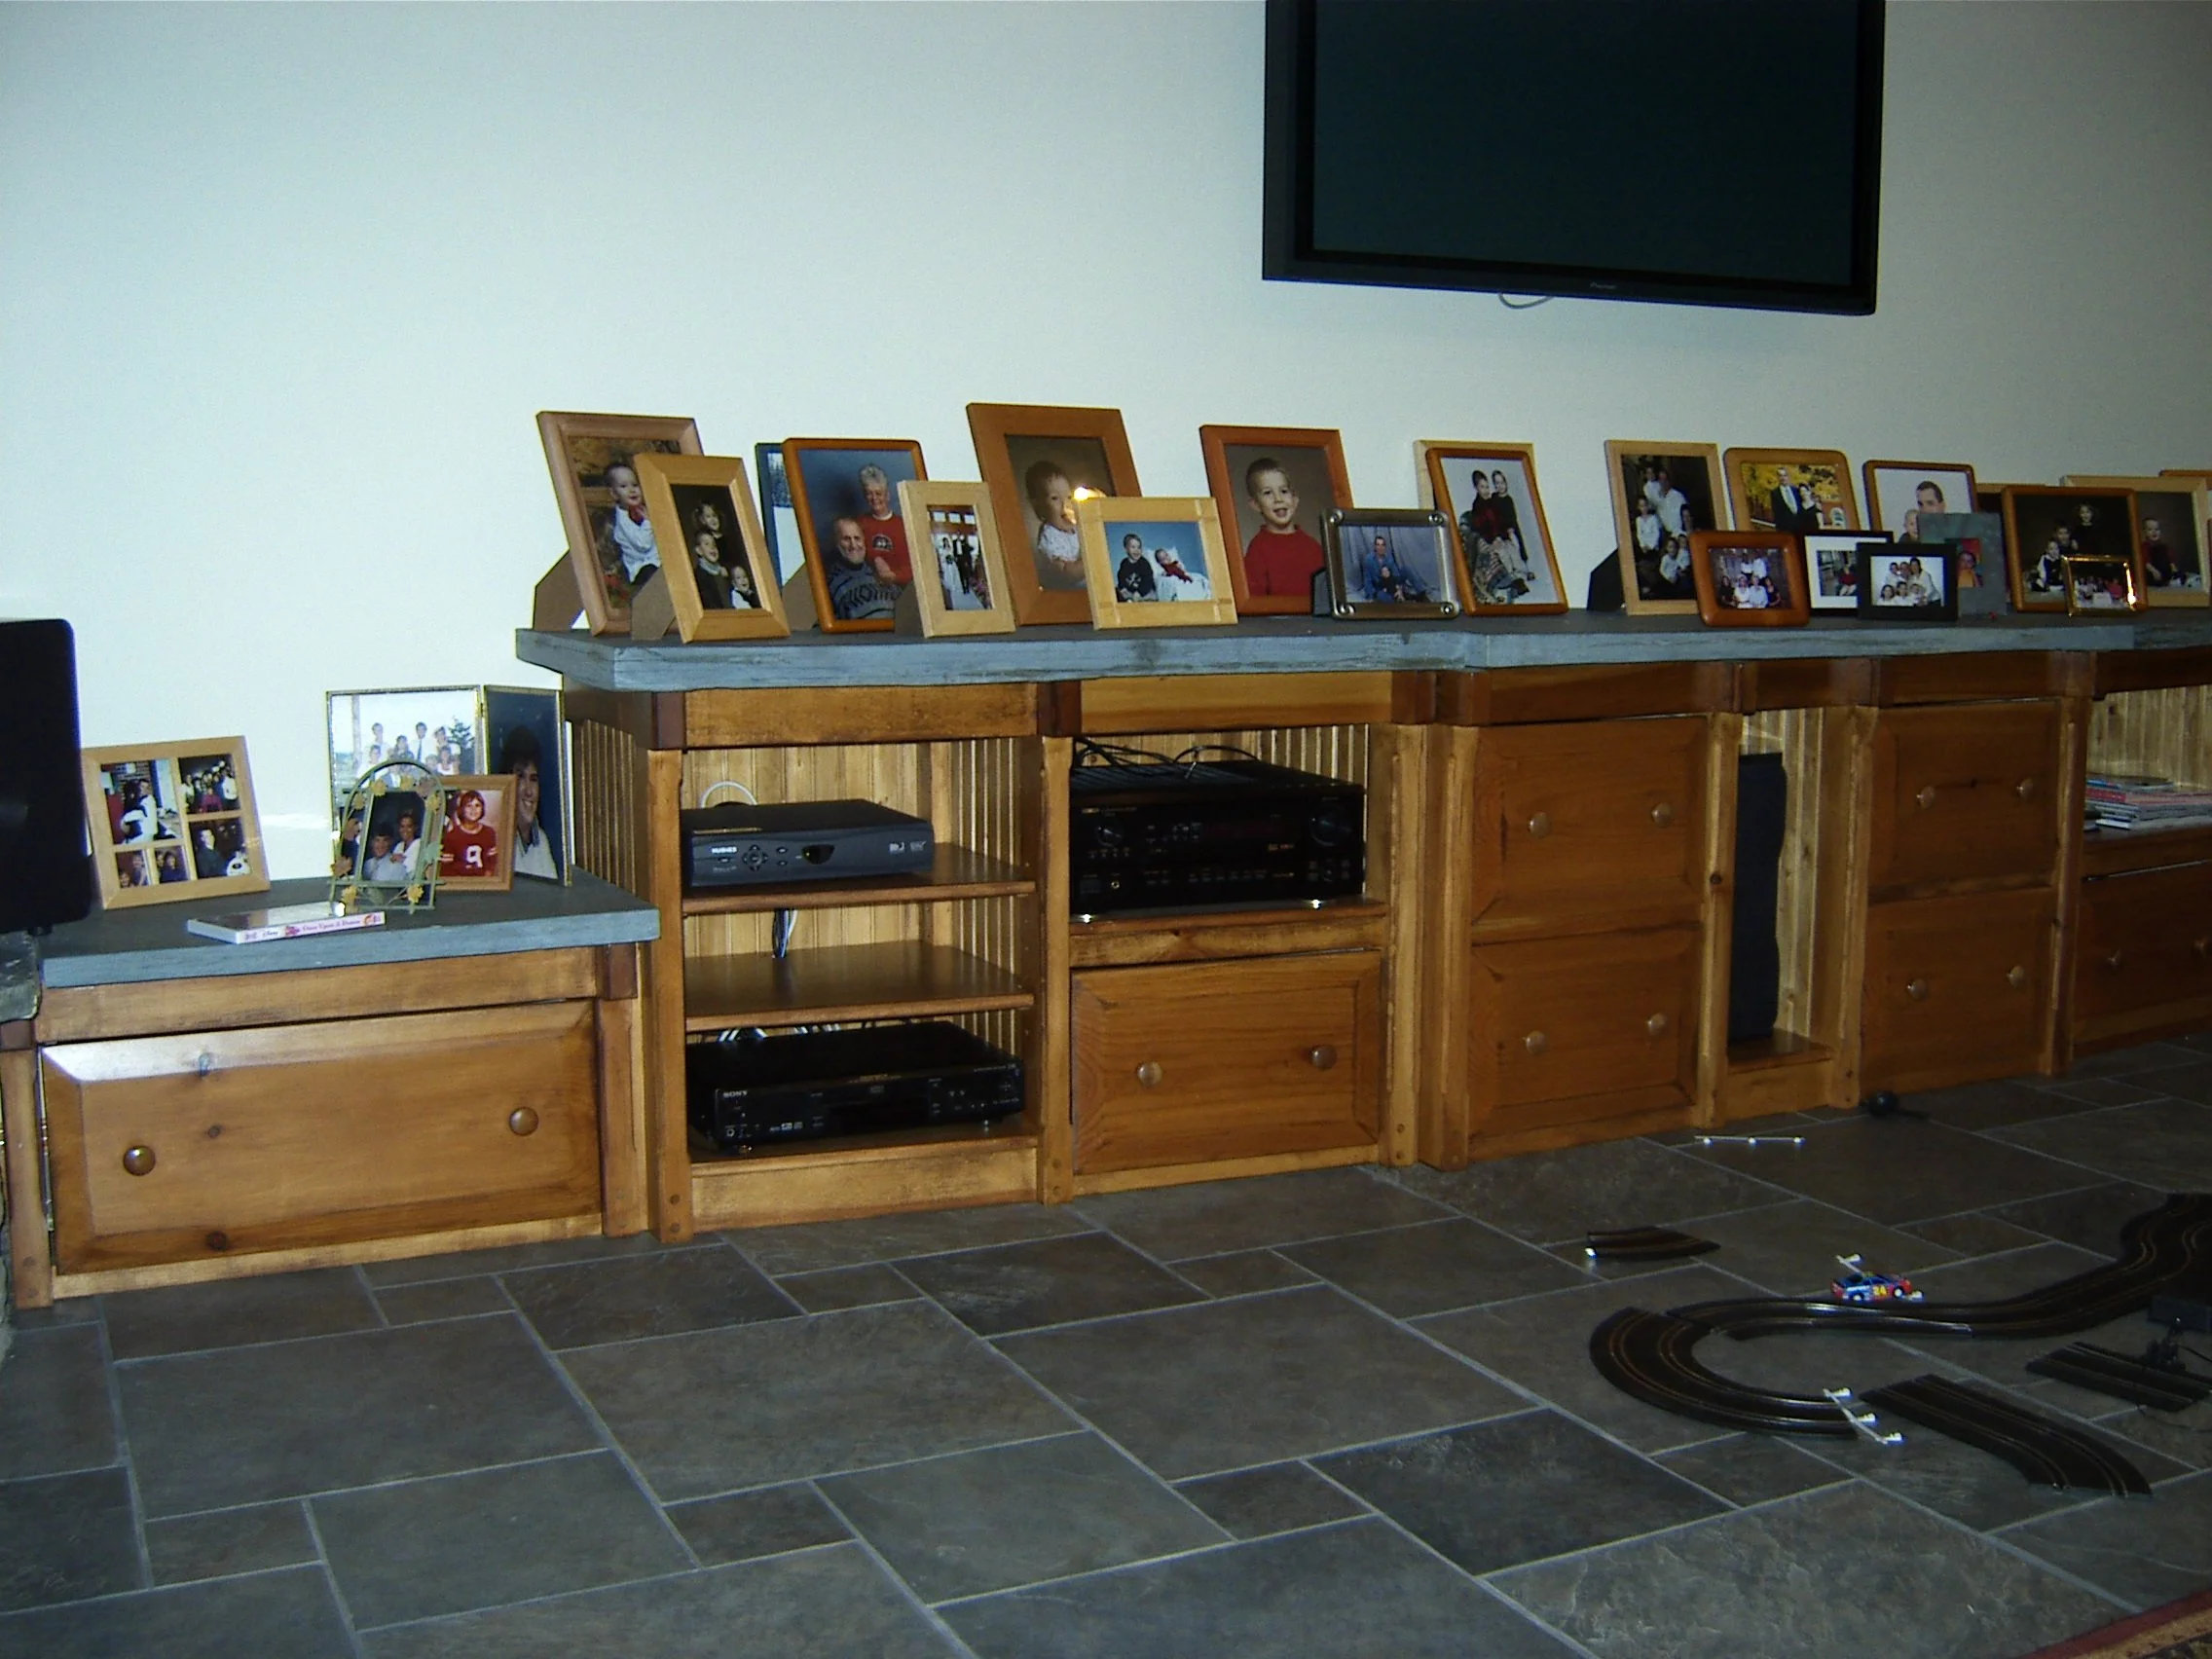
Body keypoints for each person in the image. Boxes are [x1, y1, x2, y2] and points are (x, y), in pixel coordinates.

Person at [1240, 458, 1325, 599]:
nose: (1278, 498)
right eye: (1268, 493)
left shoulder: (1313, 546)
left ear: (1295, 499)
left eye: (1284, 491)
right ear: (1255, 504)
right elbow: (1256, 602)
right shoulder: (1258, 549)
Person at [498, 725, 560, 881]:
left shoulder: (541, 840)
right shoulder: (498, 843)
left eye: (533, 779)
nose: (529, 791)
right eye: (520, 777)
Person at [595, 461, 661, 591]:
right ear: (614, 494)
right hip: (643, 569)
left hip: (658, 562)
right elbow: (643, 544)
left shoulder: (644, 510)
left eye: (635, 485)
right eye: (624, 486)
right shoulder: (623, 521)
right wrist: (648, 523)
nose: (632, 490)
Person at [1025, 461, 1085, 590]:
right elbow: (1067, 573)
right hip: (1066, 594)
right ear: (1038, 506)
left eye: (1069, 497)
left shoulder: (1077, 529)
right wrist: (1092, 561)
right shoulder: (1049, 535)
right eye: (1055, 498)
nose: (1065, 505)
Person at [825, 516, 898, 619]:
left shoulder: (878, 571)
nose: (853, 545)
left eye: (857, 538)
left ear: (864, 541)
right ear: (836, 543)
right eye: (846, 539)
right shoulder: (829, 584)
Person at [855, 464, 912, 587]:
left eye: (878, 493)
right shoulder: (859, 524)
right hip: (870, 586)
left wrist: (894, 576)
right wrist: (876, 558)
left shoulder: (903, 525)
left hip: (902, 587)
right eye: (869, 493)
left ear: (887, 495)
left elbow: (914, 565)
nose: (874, 498)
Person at [439, 789, 499, 880]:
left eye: (477, 805)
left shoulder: (489, 833)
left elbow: (491, 863)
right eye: (469, 806)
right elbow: (446, 870)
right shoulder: (451, 836)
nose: (473, 810)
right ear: (462, 809)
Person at [690, 528, 733, 608]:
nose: (712, 547)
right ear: (699, 550)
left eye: (714, 545)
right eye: (707, 544)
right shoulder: (699, 576)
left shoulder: (724, 572)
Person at [1769, 465, 1820, 534]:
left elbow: (1804, 504)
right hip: (1785, 529)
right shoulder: (1775, 493)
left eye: (1785, 475)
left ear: (1788, 477)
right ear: (1778, 477)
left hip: (1800, 528)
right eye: (1780, 476)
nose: (1783, 478)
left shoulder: (1796, 490)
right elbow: (1776, 513)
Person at [1114, 532, 1158, 602]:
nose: (1136, 550)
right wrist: (1122, 588)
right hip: (1130, 591)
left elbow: (1148, 580)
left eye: (1139, 547)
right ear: (1126, 549)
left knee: (1150, 597)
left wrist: (1140, 592)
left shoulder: (1144, 563)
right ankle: (1128, 600)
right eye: (1133, 547)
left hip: (1145, 591)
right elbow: (1121, 577)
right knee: (1116, 591)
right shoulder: (1124, 563)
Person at [2143, 517, 2180, 587]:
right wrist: (2154, 571)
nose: (2154, 532)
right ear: (2145, 532)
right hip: (2152, 573)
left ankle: (2171, 580)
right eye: (2150, 529)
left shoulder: (2164, 546)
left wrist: (2174, 569)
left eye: (2157, 529)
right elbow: (2146, 562)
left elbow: (2170, 560)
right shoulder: (2145, 546)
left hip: (2165, 572)